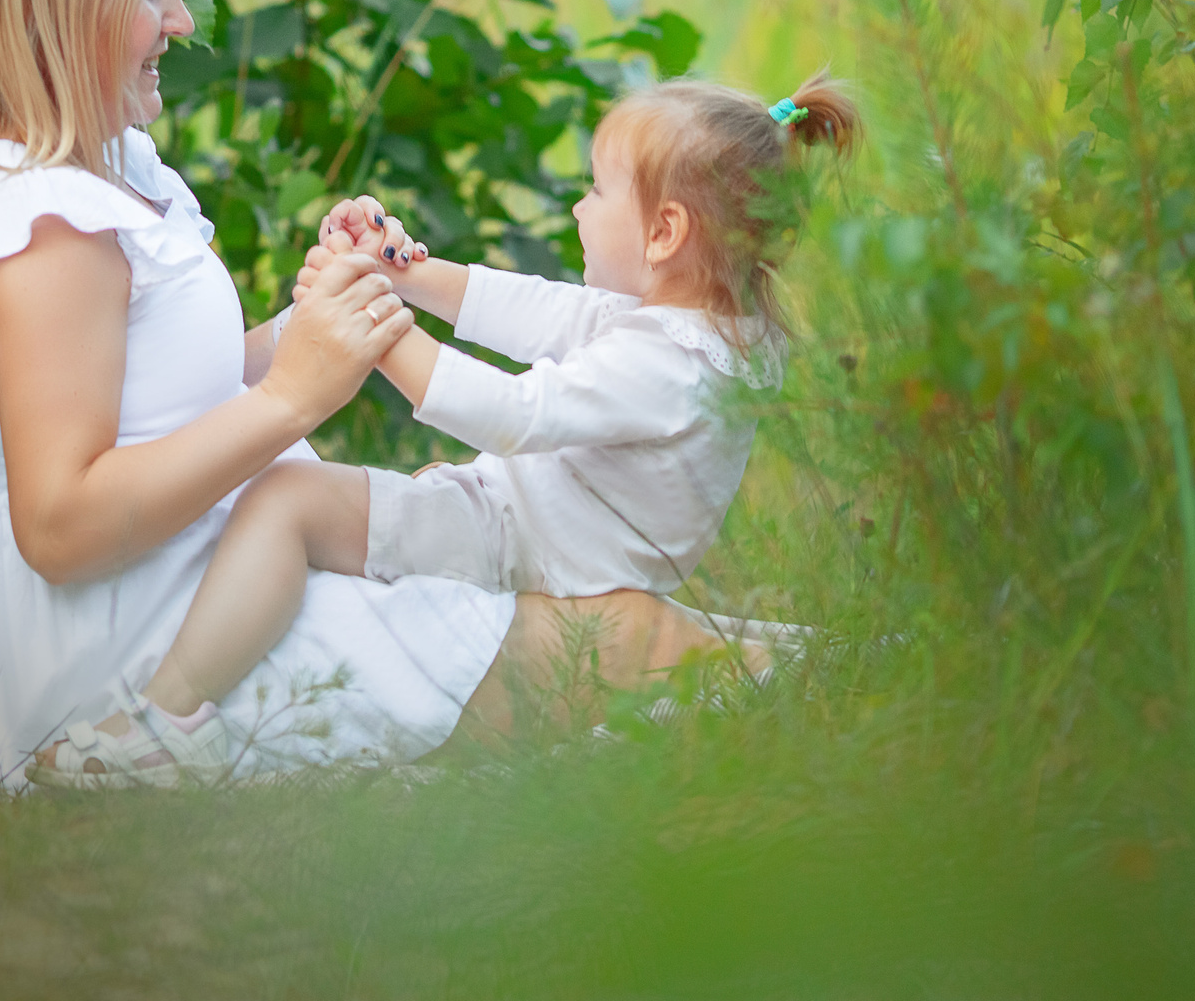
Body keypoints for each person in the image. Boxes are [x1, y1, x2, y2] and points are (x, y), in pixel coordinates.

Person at [0, 0, 792, 791]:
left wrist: (308, 324)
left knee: (620, 628)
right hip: (120, 627)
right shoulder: (45, 227)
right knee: (623, 640)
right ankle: (862, 675)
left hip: (202, 573)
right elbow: (62, 527)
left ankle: (837, 660)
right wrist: (290, 396)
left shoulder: (101, 176)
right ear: (56, 4)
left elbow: (151, 390)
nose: (182, 20)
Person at [50, 74, 859, 786]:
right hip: (529, 530)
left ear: (664, 233)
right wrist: (398, 264)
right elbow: (534, 307)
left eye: (597, 191)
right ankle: (798, 663)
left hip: (526, 549)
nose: (579, 205)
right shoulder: (692, 329)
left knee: (286, 501)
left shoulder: (672, 367)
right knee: (297, 503)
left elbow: (518, 414)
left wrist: (379, 327)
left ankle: (162, 721)